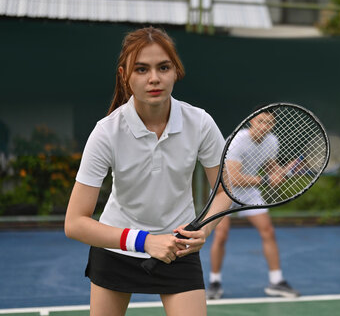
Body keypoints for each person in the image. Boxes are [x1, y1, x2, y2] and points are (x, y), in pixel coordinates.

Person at [64, 26, 231, 316]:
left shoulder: (200, 123)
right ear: (124, 75)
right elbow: (74, 223)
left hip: (178, 251)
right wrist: (144, 241)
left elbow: (225, 189)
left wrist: (203, 230)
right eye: (141, 69)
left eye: (163, 67)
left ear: (176, 71)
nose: (154, 78)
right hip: (116, 250)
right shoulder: (106, 132)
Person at [207, 110, 300, 299]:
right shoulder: (237, 140)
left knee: (268, 231)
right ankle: (214, 283)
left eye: (269, 123)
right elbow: (234, 178)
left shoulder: (272, 141)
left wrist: (280, 172)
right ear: (252, 123)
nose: (265, 126)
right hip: (225, 189)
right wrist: (268, 179)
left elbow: (270, 166)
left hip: (250, 191)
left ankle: (276, 282)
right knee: (221, 234)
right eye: (261, 122)